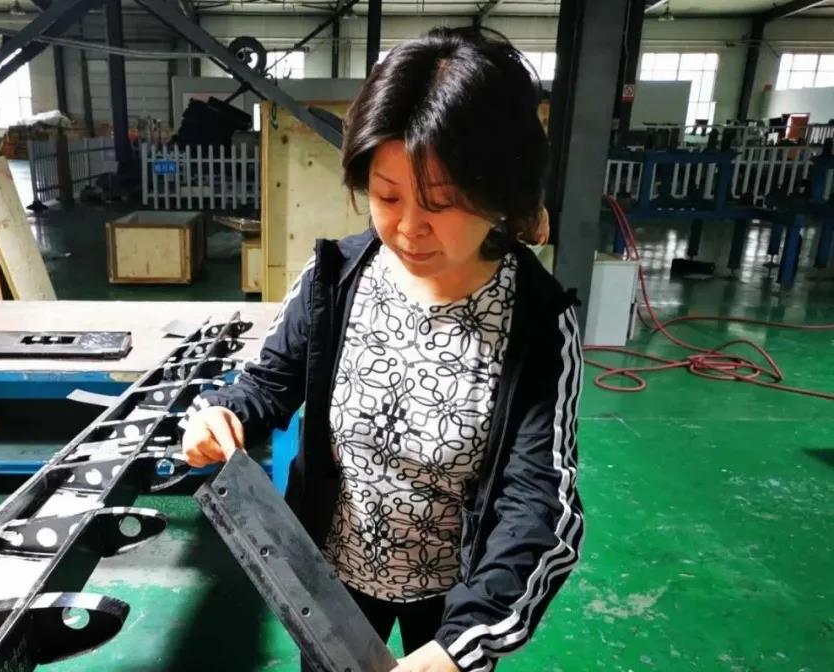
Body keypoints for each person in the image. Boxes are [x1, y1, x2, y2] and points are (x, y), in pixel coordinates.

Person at [182, 26, 582, 672]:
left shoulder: (537, 324)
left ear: (498, 193)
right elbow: (268, 382)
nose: (408, 228)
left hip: (453, 599)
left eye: (442, 203)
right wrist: (220, 413)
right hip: (332, 579)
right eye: (387, 195)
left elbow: (539, 505)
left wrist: (459, 648)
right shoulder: (337, 280)